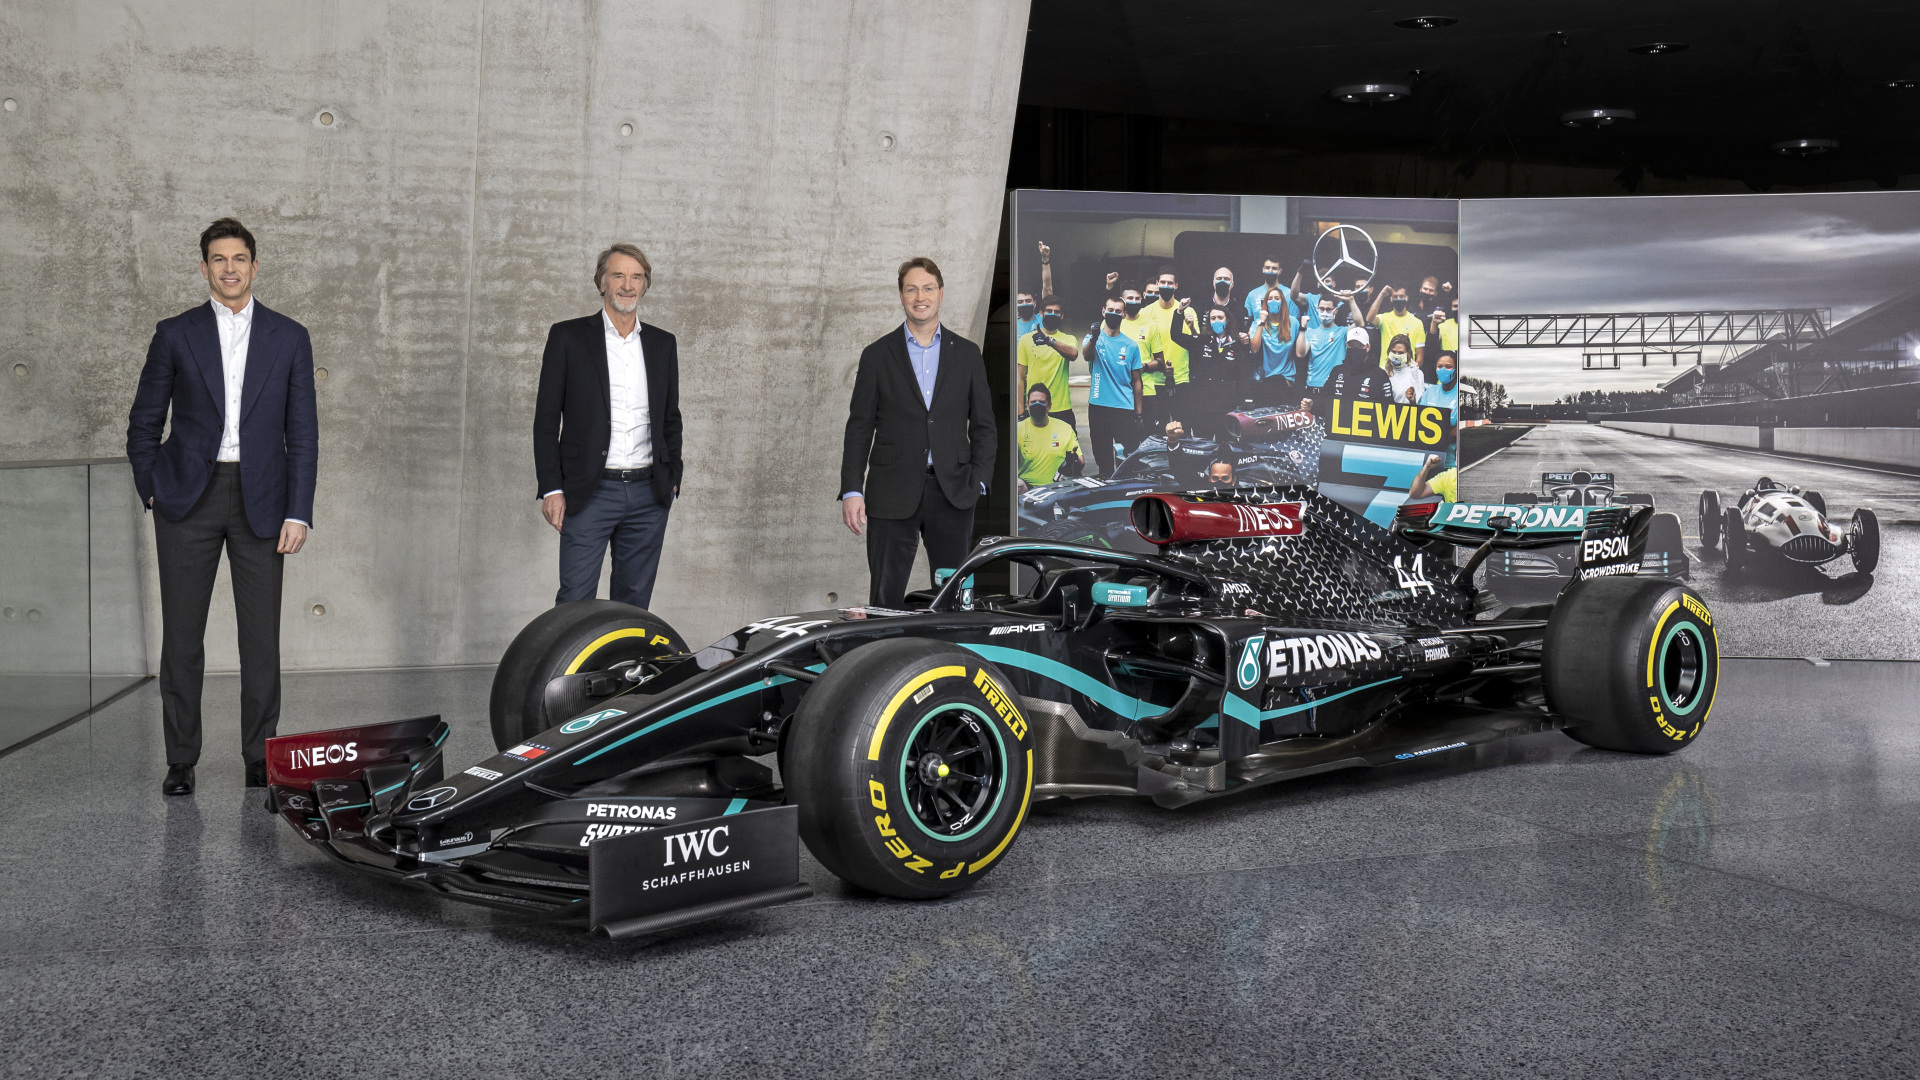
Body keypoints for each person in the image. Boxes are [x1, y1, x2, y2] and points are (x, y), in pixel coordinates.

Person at [125, 218, 316, 796]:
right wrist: (151, 485)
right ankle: (181, 759)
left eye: (239, 258)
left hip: (264, 501)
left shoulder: (289, 336)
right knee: (182, 638)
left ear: (255, 267)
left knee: (261, 640)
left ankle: (262, 758)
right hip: (187, 498)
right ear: (204, 267)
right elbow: (144, 420)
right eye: (218, 259)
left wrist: (298, 510)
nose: (229, 268)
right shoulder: (175, 334)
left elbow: (302, 433)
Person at [534, 243, 684, 612]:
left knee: (633, 606)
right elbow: (546, 420)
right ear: (602, 283)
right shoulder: (568, 338)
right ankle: (568, 672)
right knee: (574, 603)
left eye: (636, 277)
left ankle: (622, 671)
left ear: (645, 285)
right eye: (618, 275)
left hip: (650, 493)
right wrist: (552, 488)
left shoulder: (662, 344)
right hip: (589, 492)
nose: (627, 285)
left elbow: (669, 417)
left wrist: (672, 473)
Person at [839, 257, 996, 607]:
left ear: (940, 294)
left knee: (955, 600)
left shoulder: (968, 355)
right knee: (885, 599)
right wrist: (852, 489)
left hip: (953, 491)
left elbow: (984, 424)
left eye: (927, 288)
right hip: (890, 492)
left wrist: (979, 480)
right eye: (911, 289)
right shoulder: (876, 356)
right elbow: (860, 427)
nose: (919, 296)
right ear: (901, 296)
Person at [1169, 299, 1255, 440]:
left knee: (1225, 448)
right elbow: (1175, 335)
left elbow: (1243, 376)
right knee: (1202, 446)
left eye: (1220, 318)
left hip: (1226, 408)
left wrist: (1242, 404)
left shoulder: (1237, 344)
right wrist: (1179, 311)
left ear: (1227, 320)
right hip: (1202, 407)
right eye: (1213, 318)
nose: (1216, 321)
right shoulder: (1201, 341)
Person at [1083, 295, 1145, 478]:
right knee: (1103, 461)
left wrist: (1139, 414)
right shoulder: (1092, 338)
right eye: (1110, 310)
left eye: (1118, 311)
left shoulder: (1131, 345)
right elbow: (1087, 356)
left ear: (1124, 315)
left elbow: (1137, 381)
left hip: (1124, 408)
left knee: (1125, 462)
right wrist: (1095, 338)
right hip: (1098, 406)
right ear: (1103, 311)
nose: (1113, 314)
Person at [1017, 295, 1080, 436]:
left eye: (1057, 312)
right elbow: (1019, 378)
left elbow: (1073, 354)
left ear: (1062, 316)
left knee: (1071, 455)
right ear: (1041, 313)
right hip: (1034, 407)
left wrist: (1049, 341)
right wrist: (1020, 412)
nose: (1052, 314)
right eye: (1049, 311)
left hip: (1062, 408)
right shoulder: (1026, 340)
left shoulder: (1068, 339)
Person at [1145, 267, 1196, 425]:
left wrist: (1192, 327)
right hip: (1155, 381)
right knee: (1157, 432)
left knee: (1183, 430)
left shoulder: (1189, 312)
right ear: (1157, 283)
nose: (1166, 286)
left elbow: (1194, 343)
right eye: (1163, 282)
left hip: (1181, 380)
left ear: (1176, 286)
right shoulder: (1146, 312)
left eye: (1170, 283)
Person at [1293, 293, 1365, 398]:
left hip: (1334, 387)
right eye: (1321, 309)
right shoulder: (1310, 332)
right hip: (1313, 387)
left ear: (1335, 311)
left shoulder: (1342, 332)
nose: (1324, 312)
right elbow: (1300, 353)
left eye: (1328, 309)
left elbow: (1360, 324)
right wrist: (1303, 328)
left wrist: (1351, 300)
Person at [1016, 385, 1082, 493]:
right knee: (1016, 484)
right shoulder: (1017, 429)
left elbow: (1080, 461)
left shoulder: (1065, 428)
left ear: (1049, 406)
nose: (1037, 405)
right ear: (1027, 405)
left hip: (1058, 487)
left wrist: (1074, 461)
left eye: (1042, 402)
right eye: (1033, 402)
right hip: (1028, 488)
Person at [1117, 286, 1162, 428]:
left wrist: (1144, 366)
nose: (1134, 301)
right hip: (1119, 391)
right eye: (1130, 298)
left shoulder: (1150, 325)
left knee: (1146, 438)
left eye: (1137, 298)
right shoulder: (1112, 323)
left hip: (1146, 391)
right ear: (1122, 301)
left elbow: (1160, 361)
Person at [1251, 285, 1297, 405]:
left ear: (1282, 303)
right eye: (1269, 299)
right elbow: (1254, 349)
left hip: (1286, 380)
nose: (1273, 301)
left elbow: (1300, 352)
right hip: (1264, 380)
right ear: (1265, 303)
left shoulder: (1293, 322)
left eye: (1277, 298)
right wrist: (1261, 322)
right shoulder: (1257, 323)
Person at [1370, 284, 1427, 367]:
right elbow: (1369, 318)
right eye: (1395, 297)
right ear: (1391, 299)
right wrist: (1382, 294)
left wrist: (1412, 371)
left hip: (1406, 373)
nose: (1398, 299)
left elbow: (1420, 358)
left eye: (1401, 296)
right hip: (1385, 371)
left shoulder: (1417, 323)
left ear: (1407, 297)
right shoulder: (1384, 318)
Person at [1329, 324, 1387, 401]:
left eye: (1360, 345)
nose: (1355, 349)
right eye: (1351, 345)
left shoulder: (1380, 375)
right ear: (1346, 345)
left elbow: (1389, 407)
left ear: (1368, 347)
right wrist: (1312, 404)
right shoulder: (1336, 371)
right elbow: (1323, 400)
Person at [1243, 255, 1292, 328]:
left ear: (1280, 271)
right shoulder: (1252, 295)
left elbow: (1293, 323)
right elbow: (1247, 322)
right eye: (1267, 268)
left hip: (1283, 337)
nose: (1270, 271)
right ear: (1263, 269)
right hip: (1257, 337)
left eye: (1274, 268)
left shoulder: (1289, 294)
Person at [1383, 332, 1427, 405]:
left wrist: (1412, 400)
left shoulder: (1416, 373)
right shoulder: (1383, 372)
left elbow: (1419, 402)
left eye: (1400, 353)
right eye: (1393, 352)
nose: (1396, 355)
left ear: (1408, 353)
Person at [1420, 351, 1460, 424]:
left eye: (1448, 367)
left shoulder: (1461, 394)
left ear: (1456, 370)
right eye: (1440, 367)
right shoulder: (1429, 392)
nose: (1443, 370)